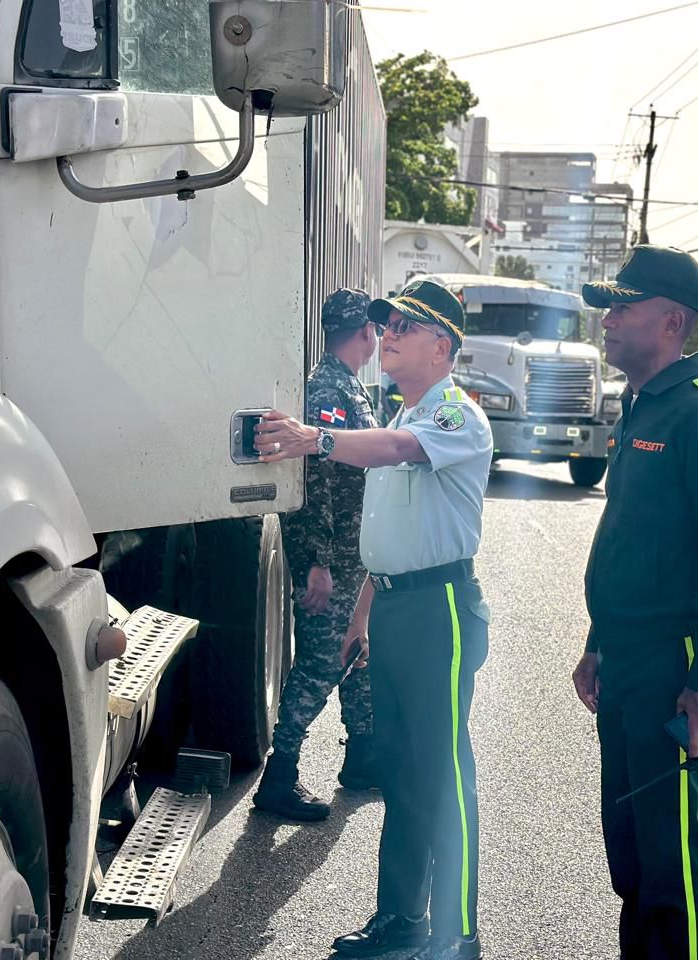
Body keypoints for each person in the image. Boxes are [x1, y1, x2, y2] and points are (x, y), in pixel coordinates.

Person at [255, 279, 492, 960]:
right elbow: (384, 533)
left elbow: (393, 453)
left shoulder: (452, 417)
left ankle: (456, 933)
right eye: (384, 326)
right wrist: (364, 611)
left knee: (442, 775)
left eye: (405, 327)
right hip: (392, 604)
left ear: (442, 345)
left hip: (439, 611)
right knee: (400, 774)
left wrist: (312, 438)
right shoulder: (400, 413)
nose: (386, 335)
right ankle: (400, 920)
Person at [570, 245, 698, 960]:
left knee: (668, 851)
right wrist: (598, 640)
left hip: (670, 666)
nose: (607, 321)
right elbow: (628, 538)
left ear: (672, 321)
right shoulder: (641, 401)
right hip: (624, 657)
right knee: (630, 847)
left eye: (623, 307)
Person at [253, 288, 381, 822]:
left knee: (359, 653)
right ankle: (279, 775)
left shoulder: (347, 386)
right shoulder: (327, 391)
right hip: (333, 555)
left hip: (354, 553)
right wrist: (316, 562)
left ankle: (365, 757)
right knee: (320, 663)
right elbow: (315, 483)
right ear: (366, 334)